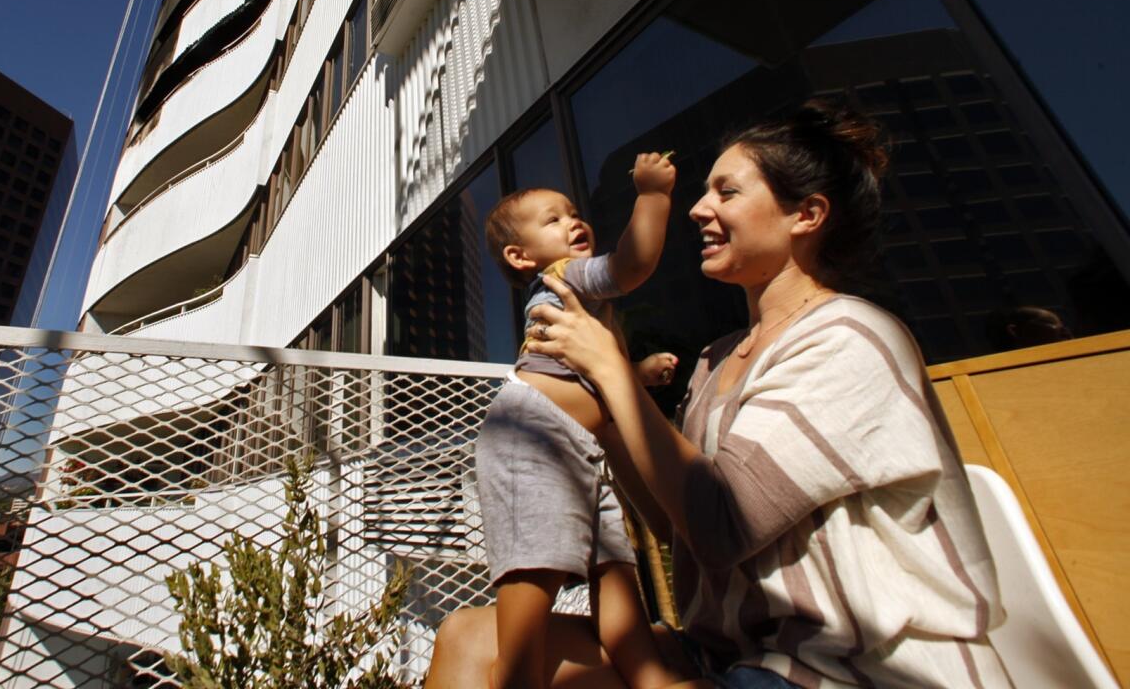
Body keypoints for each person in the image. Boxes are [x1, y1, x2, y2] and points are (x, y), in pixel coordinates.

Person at [428, 101, 1010, 688]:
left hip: (835, 666)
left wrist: (613, 373)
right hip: (724, 652)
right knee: (467, 637)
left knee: (510, 665)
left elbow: (720, 524)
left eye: (726, 193)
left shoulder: (847, 339)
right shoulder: (714, 360)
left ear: (805, 215)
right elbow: (671, 523)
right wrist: (601, 415)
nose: (699, 208)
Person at [474, 154, 683, 689]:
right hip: (534, 437)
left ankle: (651, 678)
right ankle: (513, 676)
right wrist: (652, 197)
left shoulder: (585, 311)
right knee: (535, 573)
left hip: (584, 449)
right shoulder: (564, 274)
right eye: (553, 219)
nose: (572, 221)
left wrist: (636, 373)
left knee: (616, 573)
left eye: (571, 212)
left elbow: (589, 377)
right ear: (522, 257)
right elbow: (630, 266)